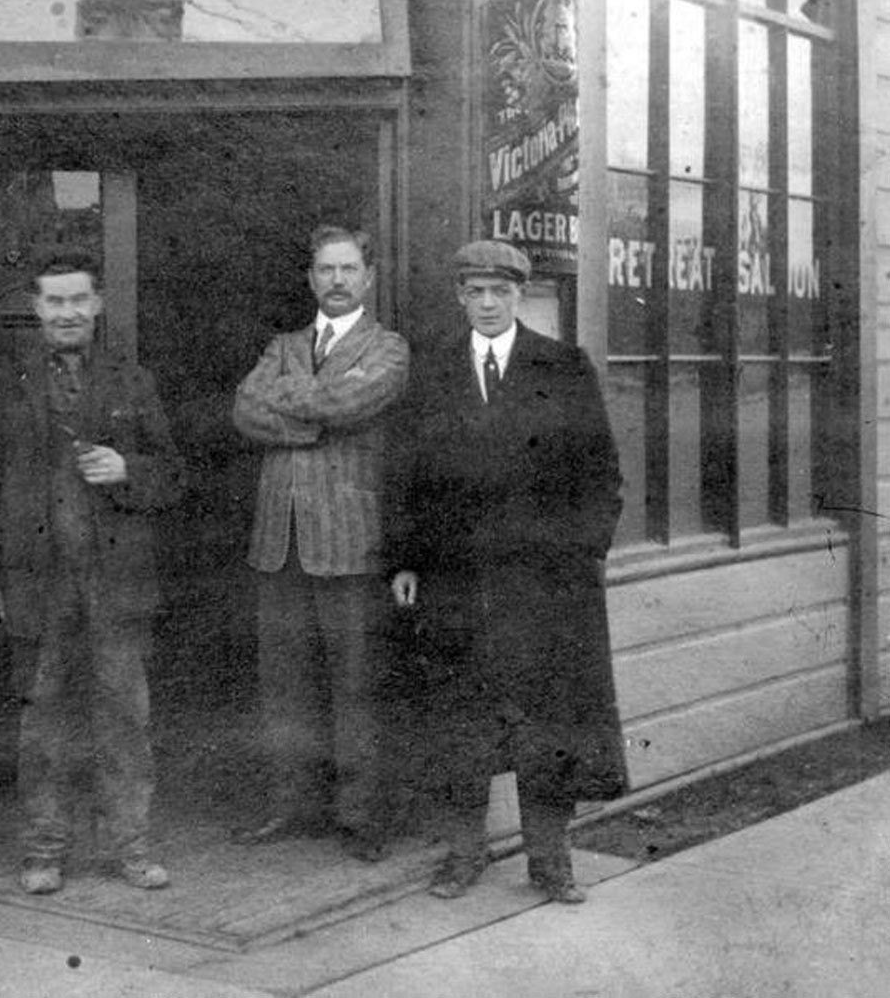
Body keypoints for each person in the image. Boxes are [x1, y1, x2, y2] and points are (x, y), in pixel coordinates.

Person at [386, 239, 626, 905]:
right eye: (475, 291)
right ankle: (464, 854)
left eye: (501, 291)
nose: (488, 303)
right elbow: (405, 475)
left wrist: (580, 555)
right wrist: (405, 557)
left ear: (521, 295)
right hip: (457, 580)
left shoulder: (563, 366)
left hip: (545, 585)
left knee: (547, 722)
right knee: (460, 721)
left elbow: (601, 477)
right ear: (460, 296)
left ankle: (551, 859)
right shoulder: (432, 371)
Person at [0, 247, 186, 895]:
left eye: (76, 300)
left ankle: (132, 848)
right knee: (43, 725)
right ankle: (43, 850)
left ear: (97, 304)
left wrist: (128, 469)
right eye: (53, 301)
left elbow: (174, 476)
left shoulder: (132, 381)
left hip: (114, 585)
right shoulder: (4, 385)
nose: (65, 312)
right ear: (36, 308)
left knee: (126, 720)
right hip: (36, 583)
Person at [228, 226, 409, 860]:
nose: (336, 280)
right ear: (310, 278)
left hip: (349, 542)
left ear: (368, 277)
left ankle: (359, 818)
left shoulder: (387, 349)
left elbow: (356, 400)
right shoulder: (283, 344)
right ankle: (292, 806)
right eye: (326, 270)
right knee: (284, 686)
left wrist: (289, 405)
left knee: (354, 688)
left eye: (348, 269)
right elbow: (243, 410)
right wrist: (314, 419)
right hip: (279, 543)